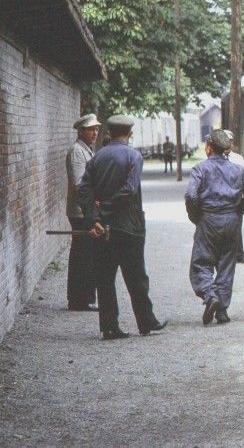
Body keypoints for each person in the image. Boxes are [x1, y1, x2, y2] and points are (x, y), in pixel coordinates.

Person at [78, 115, 167, 341]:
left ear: (109, 131)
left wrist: (94, 219)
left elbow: (84, 191)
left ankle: (110, 327)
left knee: (105, 279)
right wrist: (107, 208)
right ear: (129, 133)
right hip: (129, 227)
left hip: (102, 229)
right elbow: (129, 190)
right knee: (136, 276)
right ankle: (146, 321)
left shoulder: (97, 157)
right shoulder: (133, 156)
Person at [186, 129, 244, 325]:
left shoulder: (200, 169)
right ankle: (222, 312)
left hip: (208, 220)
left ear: (209, 148)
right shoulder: (238, 170)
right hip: (231, 221)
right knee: (226, 266)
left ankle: (210, 296)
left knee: (201, 262)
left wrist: (196, 216)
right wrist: (237, 212)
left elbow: (191, 196)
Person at [65, 113, 100, 311]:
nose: (95, 132)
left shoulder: (87, 150)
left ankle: (83, 297)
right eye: (90, 129)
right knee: (82, 253)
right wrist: (93, 203)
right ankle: (78, 299)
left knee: (85, 253)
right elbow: (79, 184)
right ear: (81, 131)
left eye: (96, 129)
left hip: (85, 209)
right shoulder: (77, 152)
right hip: (80, 211)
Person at [224, 129, 244, 264]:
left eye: (230, 141)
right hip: (220, 200)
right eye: (225, 141)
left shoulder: (238, 159)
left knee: (236, 228)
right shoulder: (213, 159)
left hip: (235, 200)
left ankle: (239, 254)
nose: (228, 144)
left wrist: (243, 206)